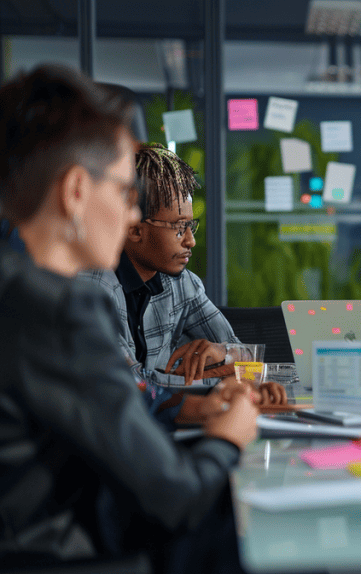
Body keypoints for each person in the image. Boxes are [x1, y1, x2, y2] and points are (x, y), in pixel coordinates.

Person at [0, 64, 257, 572]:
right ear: (75, 191)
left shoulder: (16, 291)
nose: (132, 216)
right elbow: (173, 497)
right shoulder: (59, 308)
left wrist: (184, 408)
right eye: (123, 192)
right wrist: (230, 434)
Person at [80, 143, 285, 425]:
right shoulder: (94, 287)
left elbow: (250, 362)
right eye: (178, 228)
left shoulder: (182, 282)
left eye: (191, 226)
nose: (191, 240)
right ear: (134, 229)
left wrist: (221, 355)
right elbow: (132, 389)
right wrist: (221, 377)